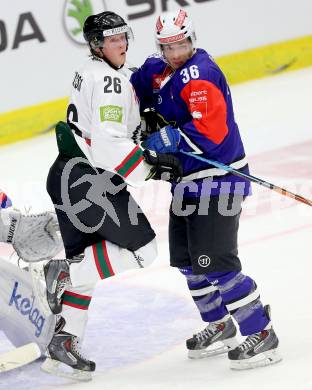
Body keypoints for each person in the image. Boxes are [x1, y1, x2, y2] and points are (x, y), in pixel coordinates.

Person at [130, 9, 281, 370]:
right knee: (188, 264)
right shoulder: (157, 68)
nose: (176, 52)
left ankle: (262, 333)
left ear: (192, 40)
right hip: (187, 184)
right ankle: (219, 324)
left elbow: (212, 135)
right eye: (168, 47)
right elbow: (130, 88)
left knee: (216, 263)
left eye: (181, 44)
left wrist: (167, 138)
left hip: (220, 180)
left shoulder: (201, 74)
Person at [42, 11, 183, 381]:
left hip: (66, 176)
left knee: (89, 268)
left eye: (124, 36)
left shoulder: (93, 71)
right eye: (113, 39)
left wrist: (140, 124)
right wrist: (151, 166)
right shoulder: (109, 80)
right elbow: (107, 144)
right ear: (96, 45)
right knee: (143, 251)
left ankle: (64, 344)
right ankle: (64, 272)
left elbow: (104, 127)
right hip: (90, 182)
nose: (121, 44)